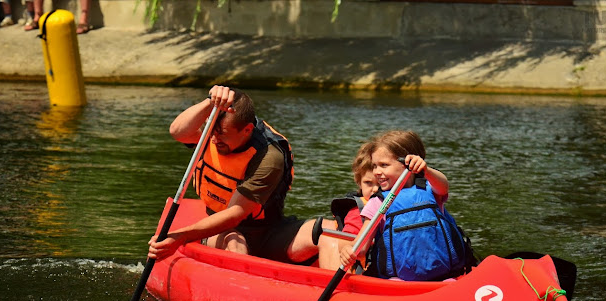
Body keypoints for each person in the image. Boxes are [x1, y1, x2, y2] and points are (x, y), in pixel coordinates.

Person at [148, 86, 325, 264]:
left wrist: (180, 237)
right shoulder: (213, 134)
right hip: (221, 230)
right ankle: (241, 281)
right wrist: (211, 102)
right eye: (213, 132)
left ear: (247, 130)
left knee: (327, 232)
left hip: (268, 231)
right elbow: (178, 132)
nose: (214, 140)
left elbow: (235, 214)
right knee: (234, 241)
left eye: (222, 134)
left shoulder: (269, 156)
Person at [338, 130, 470, 281]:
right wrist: (349, 251)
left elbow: (444, 186)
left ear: (407, 163)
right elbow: (361, 247)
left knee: (452, 284)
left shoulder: (430, 189)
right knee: (394, 283)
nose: (376, 172)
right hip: (398, 280)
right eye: (375, 166)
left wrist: (425, 170)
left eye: (384, 165)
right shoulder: (377, 202)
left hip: (444, 277)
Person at [316, 141, 379, 270]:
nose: (375, 189)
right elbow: (344, 243)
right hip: (365, 269)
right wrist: (347, 250)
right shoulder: (358, 211)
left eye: (381, 183)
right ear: (359, 183)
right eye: (368, 183)